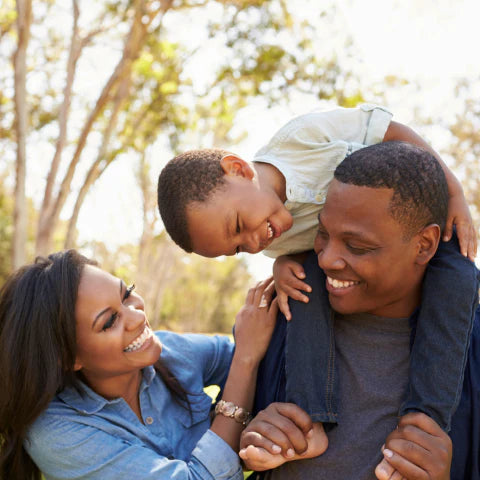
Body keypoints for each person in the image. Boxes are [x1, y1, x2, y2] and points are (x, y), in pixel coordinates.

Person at [157, 104, 478, 446]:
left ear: (238, 169)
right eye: (236, 248)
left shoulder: (301, 139)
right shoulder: (270, 239)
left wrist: (453, 191)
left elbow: (391, 131)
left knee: (460, 275)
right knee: (301, 291)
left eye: (237, 226)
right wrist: (282, 265)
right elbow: (307, 251)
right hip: (339, 262)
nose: (252, 243)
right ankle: (309, 420)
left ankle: (426, 420)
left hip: (415, 223)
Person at [238, 141, 480, 479]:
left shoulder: (469, 352)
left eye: (357, 246)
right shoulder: (282, 320)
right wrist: (252, 441)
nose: (326, 259)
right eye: (322, 234)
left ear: (424, 245)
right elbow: (217, 443)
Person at [0, 249, 278, 480]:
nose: (136, 317)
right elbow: (247, 356)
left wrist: (289, 268)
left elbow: (265, 354)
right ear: (69, 358)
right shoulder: (57, 434)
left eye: (126, 294)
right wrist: (245, 361)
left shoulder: (171, 351)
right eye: (109, 322)